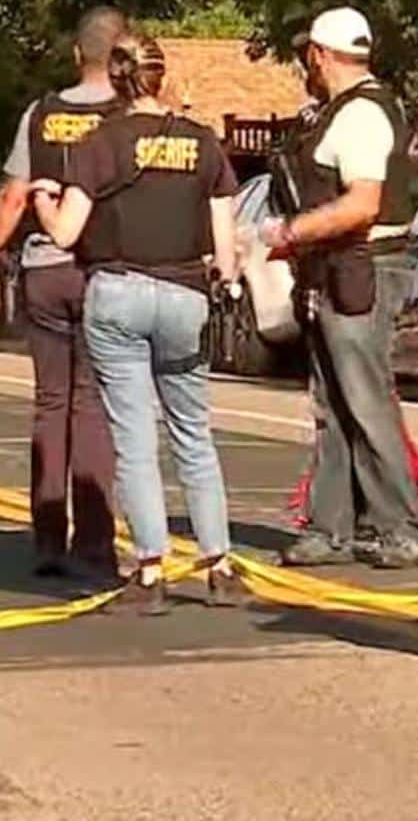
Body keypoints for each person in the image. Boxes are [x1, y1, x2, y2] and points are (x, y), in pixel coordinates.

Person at [30, 33, 249, 614]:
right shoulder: (202, 143)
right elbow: (225, 246)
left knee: (133, 438)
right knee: (193, 433)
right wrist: (225, 280)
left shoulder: (99, 144)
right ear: (160, 75)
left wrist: (44, 198)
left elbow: (65, 233)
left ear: (117, 80)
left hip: (119, 292)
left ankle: (151, 570)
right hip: (185, 295)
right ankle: (220, 565)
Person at [265, 8, 418, 570]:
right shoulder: (351, 110)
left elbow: (361, 204)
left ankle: (398, 527)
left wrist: (291, 232)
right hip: (339, 268)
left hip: (361, 267)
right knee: (333, 402)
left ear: (319, 55)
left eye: (306, 55)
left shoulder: (360, 115)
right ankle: (330, 526)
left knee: (363, 398)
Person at [0, 7, 126, 579]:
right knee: (92, 406)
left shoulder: (41, 114)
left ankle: (47, 539)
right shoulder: (127, 116)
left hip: (43, 270)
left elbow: (13, 197)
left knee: (50, 403)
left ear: (76, 55)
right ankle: (94, 541)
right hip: (102, 271)